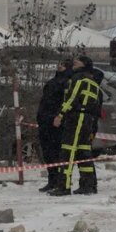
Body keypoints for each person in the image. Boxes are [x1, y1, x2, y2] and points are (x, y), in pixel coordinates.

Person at [48, 55, 104, 196]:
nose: (74, 62)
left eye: (77, 61)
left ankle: (63, 187)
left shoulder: (79, 79)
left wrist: (60, 114)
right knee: (83, 151)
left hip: (77, 117)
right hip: (88, 120)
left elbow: (72, 98)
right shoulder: (93, 82)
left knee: (67, 150)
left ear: (84, 65)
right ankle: (88, 185)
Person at [36, 59, 72, 193]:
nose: (59, 66)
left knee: (57, 153)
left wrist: (59, 116)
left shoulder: (68, 83)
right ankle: (52, 181)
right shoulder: (53, 82)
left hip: (57, 122)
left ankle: (60, 182)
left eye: (62, 65)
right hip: (45, 121)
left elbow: (67, 102)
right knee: (48, 154)